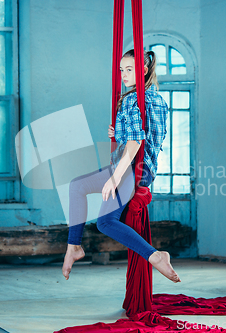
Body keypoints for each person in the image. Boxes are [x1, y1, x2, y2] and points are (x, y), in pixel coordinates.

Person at [62, 49, 181, 284]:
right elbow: (151, 136)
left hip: (130, 169)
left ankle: (156, 256)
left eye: (129, 69)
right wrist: (119, 132)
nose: (124, 75)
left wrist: (115, 177)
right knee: (84, 194)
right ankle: (73, 247)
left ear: (143, 70)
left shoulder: (132, 99)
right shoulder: (157, 100)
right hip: (144, 169)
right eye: (121, 70)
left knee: (103, 219)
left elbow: (136, 141)